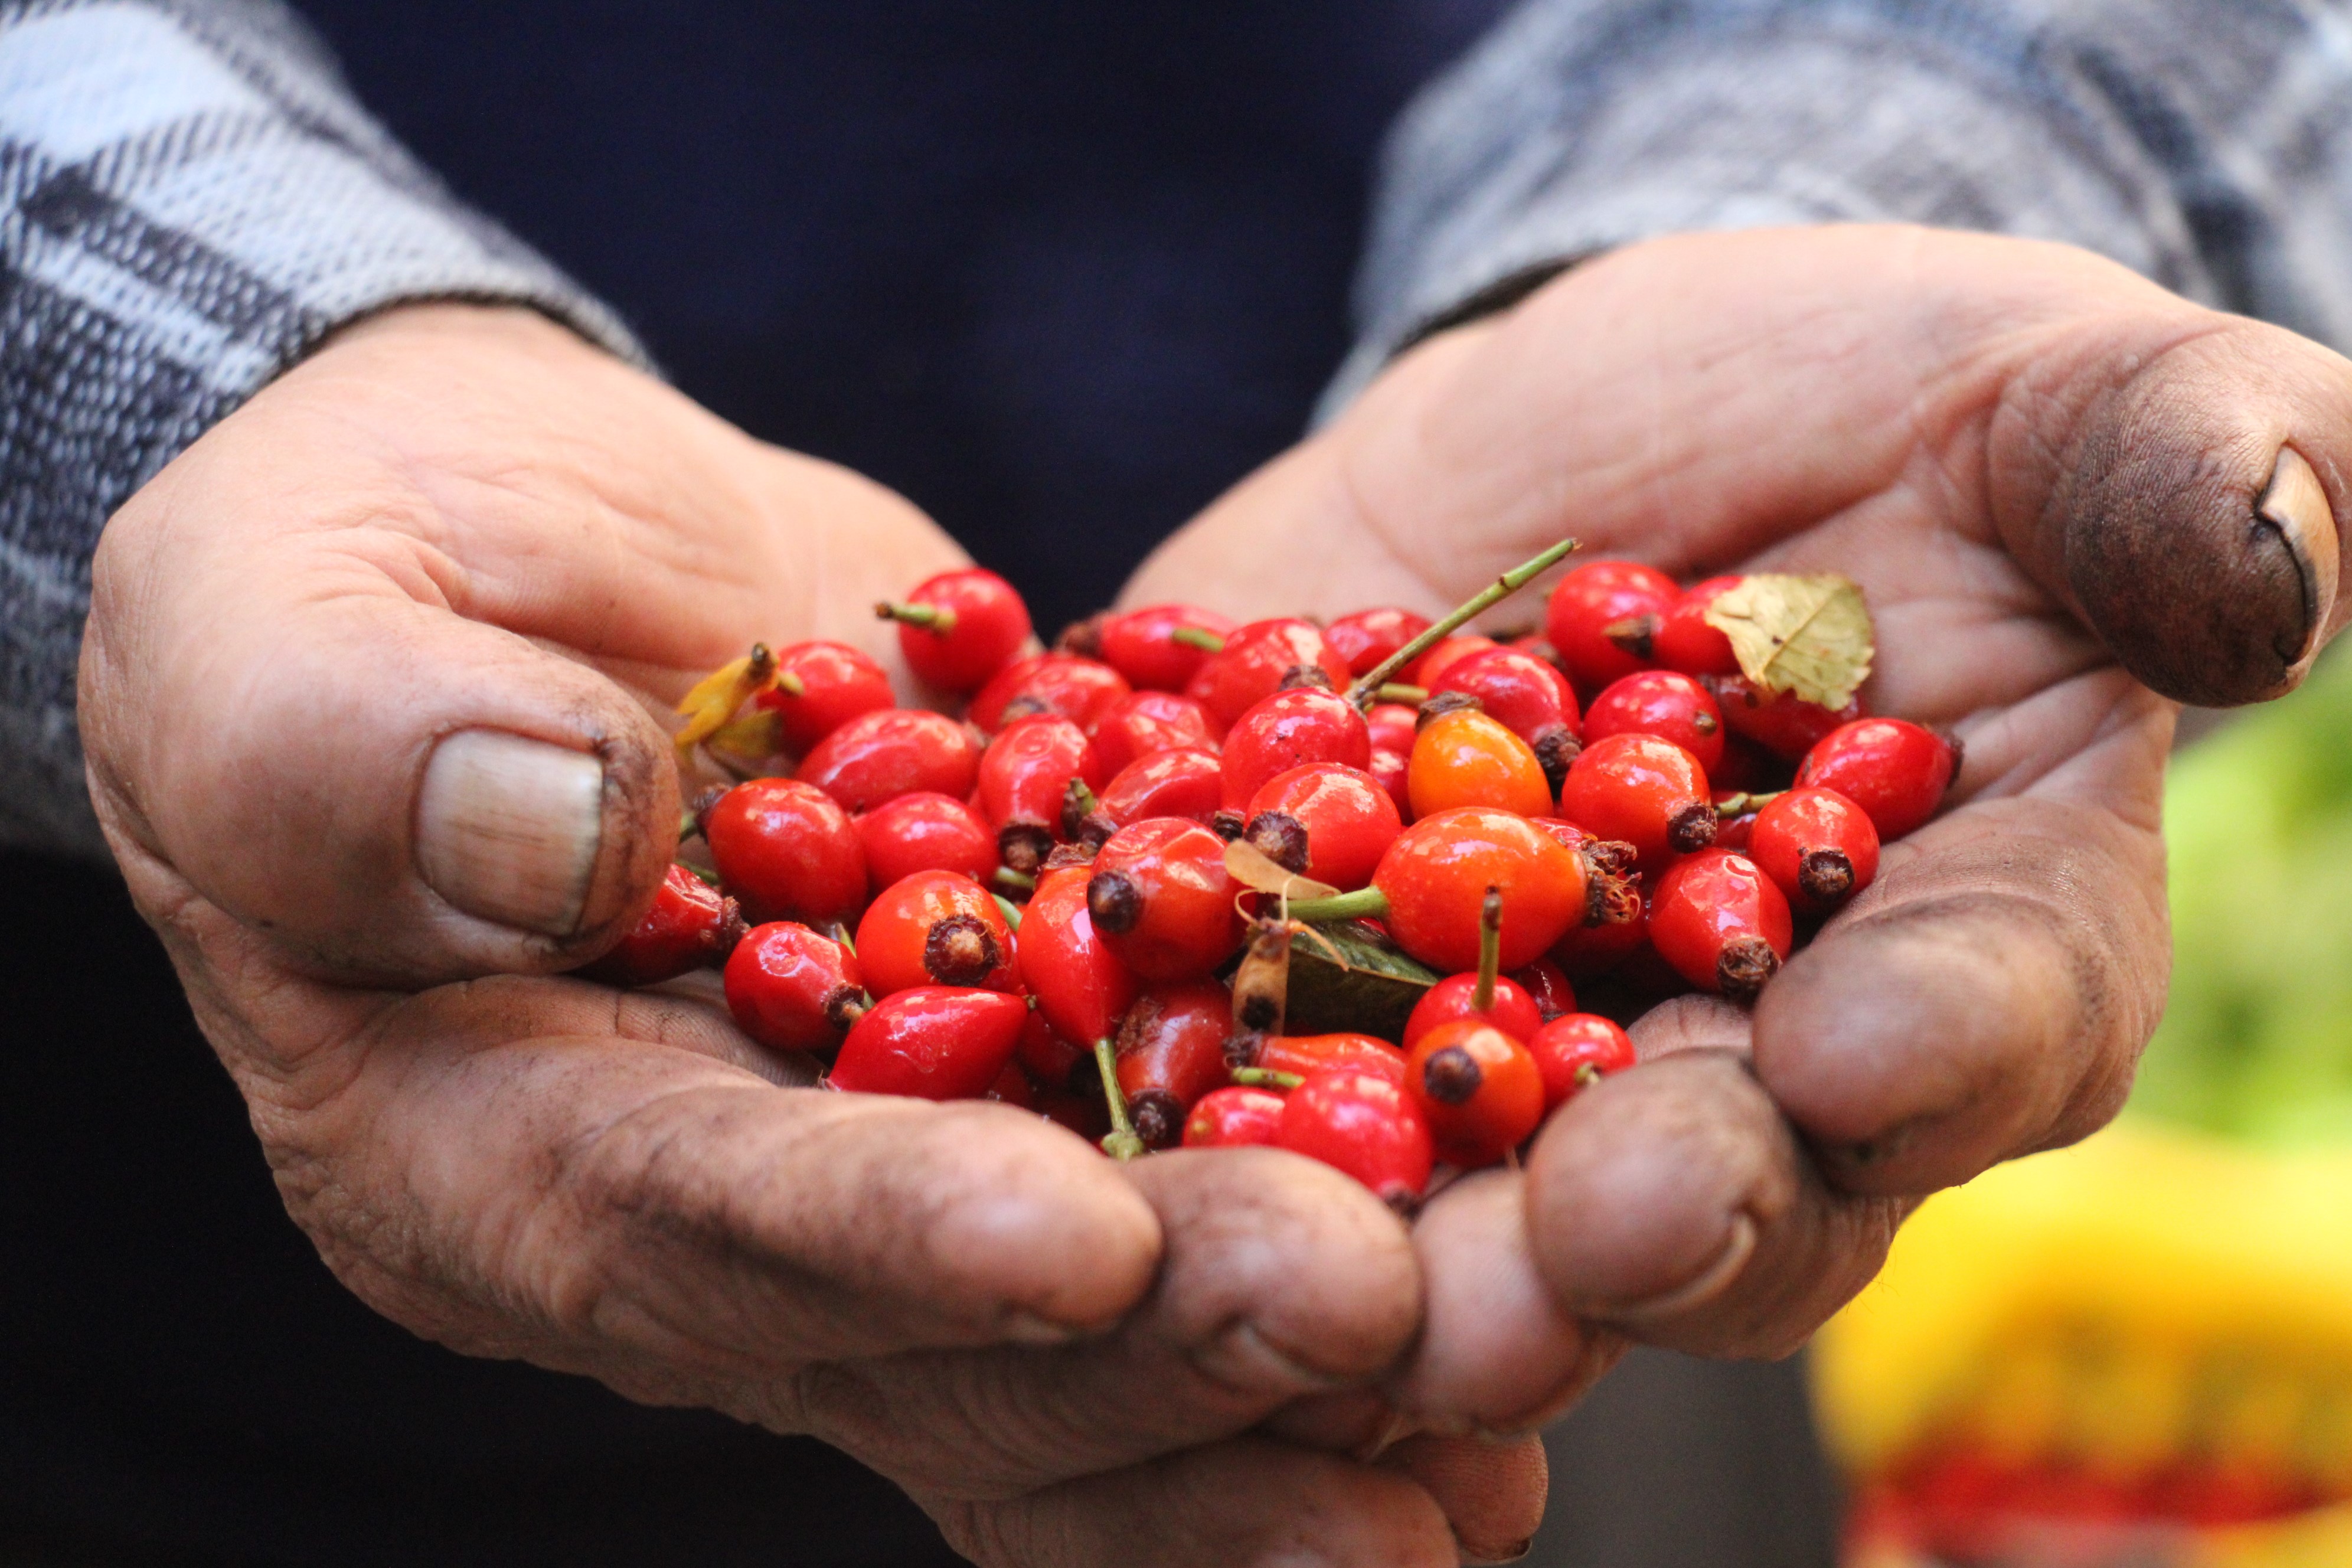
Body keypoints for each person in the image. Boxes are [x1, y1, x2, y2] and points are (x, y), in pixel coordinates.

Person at [5, 1, 2347, 1563]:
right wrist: (218, 377)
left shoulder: (1464, 865)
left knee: (1552, 1306)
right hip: (170, 1342)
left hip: (1569, 1365)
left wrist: (1877, 181)